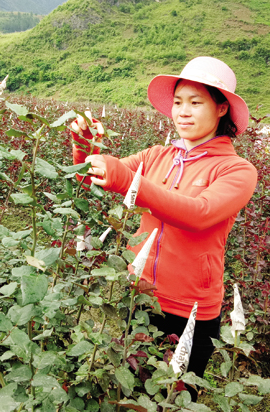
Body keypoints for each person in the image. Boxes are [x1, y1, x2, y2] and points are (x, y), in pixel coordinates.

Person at [70, 57, 257, 400]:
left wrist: (131, 182)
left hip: (190, 311)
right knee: (133, 394)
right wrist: (85, 146)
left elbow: (199, 213)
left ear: (220, 109)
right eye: (178, 102)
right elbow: (92, 178)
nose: (183, 111)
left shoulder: (237, 170)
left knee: (172, 398)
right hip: (139, 297)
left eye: (196, 102)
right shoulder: (155, 156)